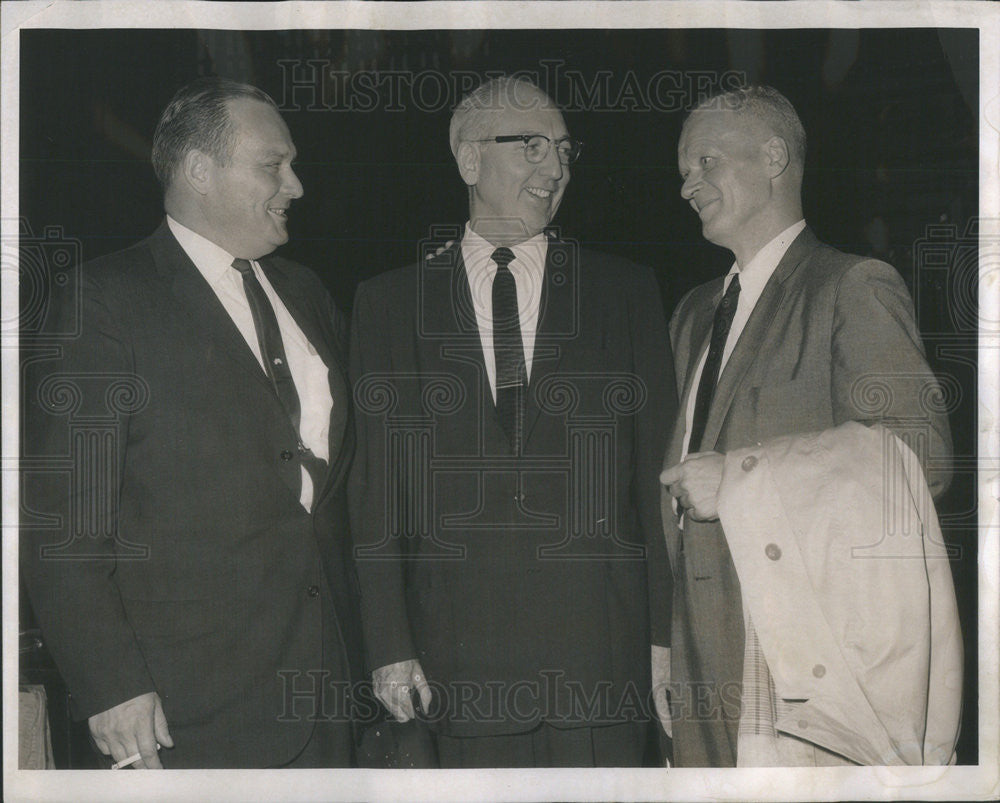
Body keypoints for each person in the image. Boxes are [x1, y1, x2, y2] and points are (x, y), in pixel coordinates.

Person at [20, 77, 364, 769]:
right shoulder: (104, 301)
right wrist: (113, 686)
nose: (295, 185)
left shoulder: (307, 291)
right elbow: (63, 526)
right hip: (181, 714)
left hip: (326, 695)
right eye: (274, 165)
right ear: (200, 170)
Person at [348, 76, 676, 767]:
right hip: (458, 671)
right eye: (530, 147)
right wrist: (389, 645)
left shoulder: (626, 292)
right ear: (470, 160)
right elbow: (377, 491)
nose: (555, 168)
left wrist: (665, 640)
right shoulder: (387, 306)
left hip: (603, 669)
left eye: (562, 150)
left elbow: (656, 484)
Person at [658, 85, 961, 767]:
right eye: (683, 171)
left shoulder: (851, 285)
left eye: (704, 162)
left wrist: (741, 478)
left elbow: (920, 455)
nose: (687, 186)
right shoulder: (692, 313)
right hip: (698, 665)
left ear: (773, 156)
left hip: (801, 669)